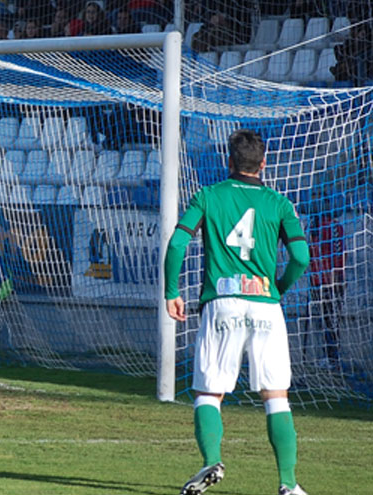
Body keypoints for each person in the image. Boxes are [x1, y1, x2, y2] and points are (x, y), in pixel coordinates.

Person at [164, 129, 310, 495]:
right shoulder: (280, 204)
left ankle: (212, 459)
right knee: (276, 396)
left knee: (208, 393)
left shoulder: (208, 196)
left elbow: (178, 241)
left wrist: (172, 291)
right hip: (266, 307)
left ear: (230, 161)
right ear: (263, 163)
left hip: (222, 303)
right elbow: (301, 258)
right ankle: (289, 485)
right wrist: (278, 288)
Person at [307, 194, 345, 368]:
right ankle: (328, 356)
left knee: (331, 319)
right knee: (324, 319)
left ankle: (334, 357)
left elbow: (338, 254)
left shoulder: (334, 227)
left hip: (330, 281)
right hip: (317, 280)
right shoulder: (313, 226)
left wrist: (336, 277)